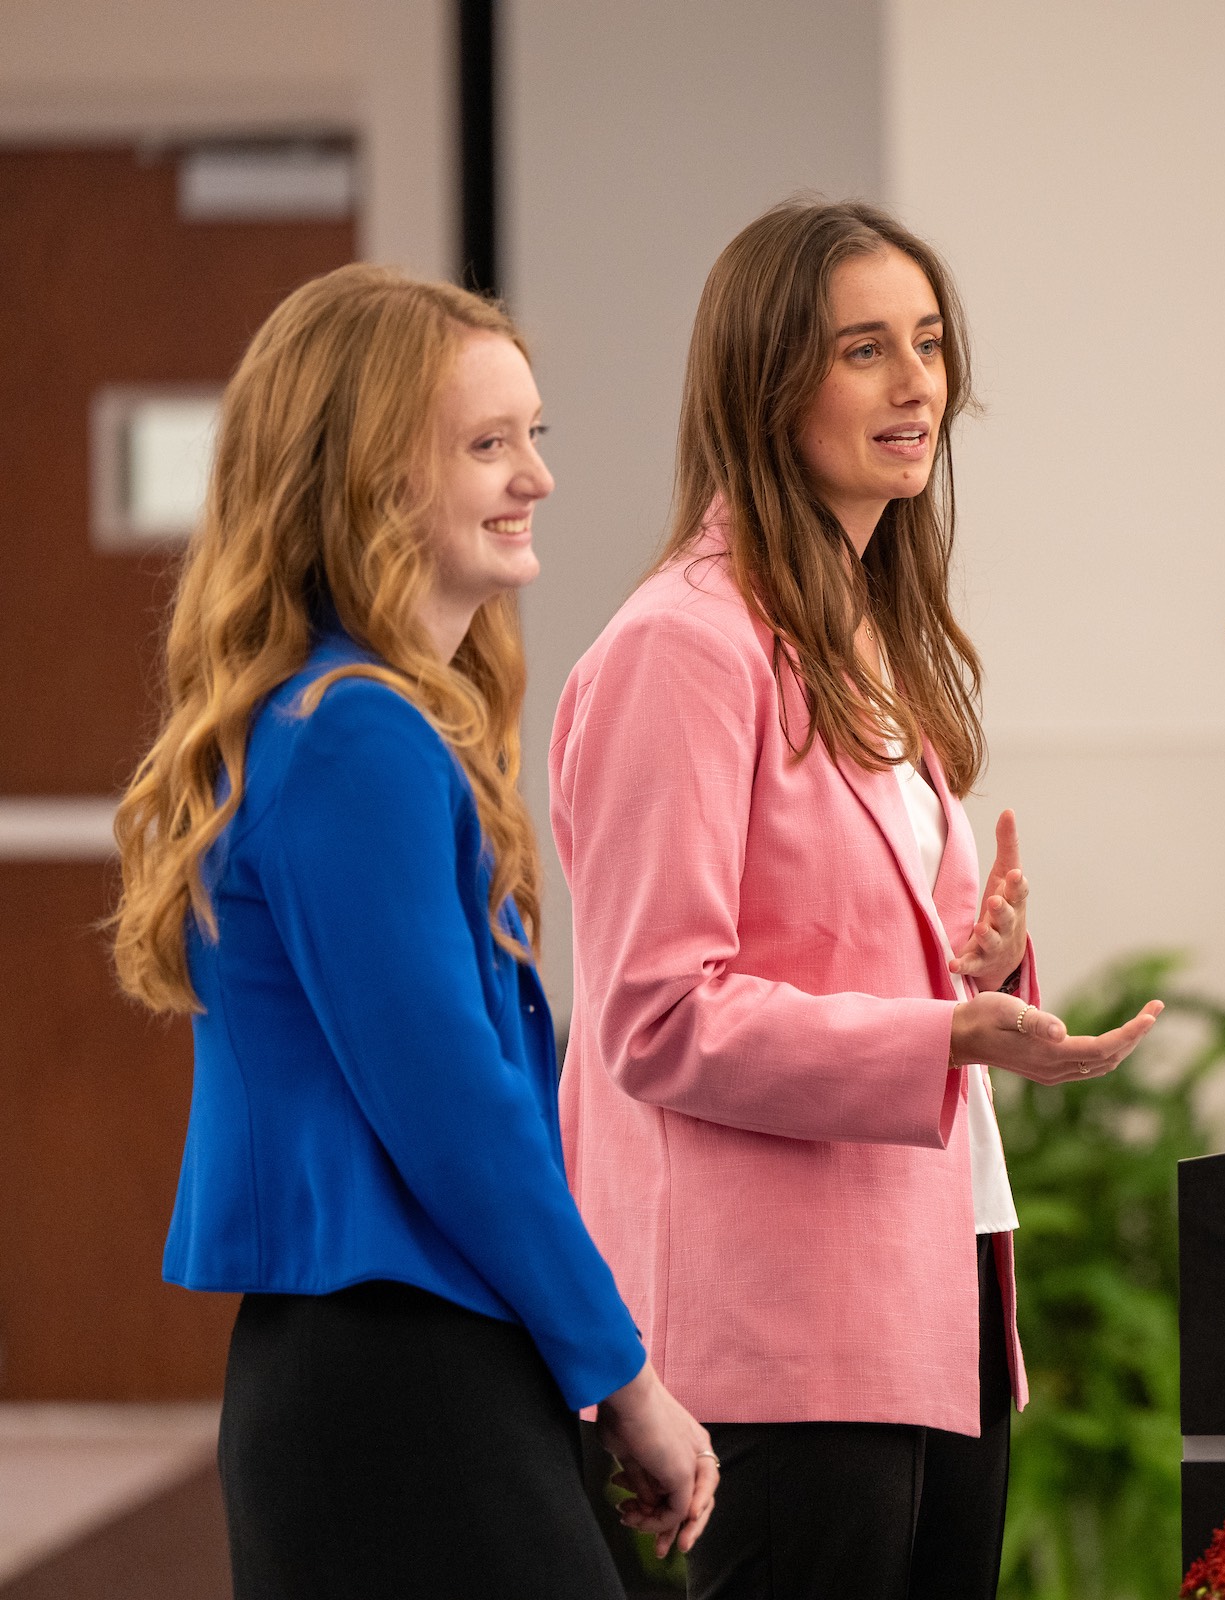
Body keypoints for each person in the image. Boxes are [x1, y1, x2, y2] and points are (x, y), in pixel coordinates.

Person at [549, 199, 1163, 1600]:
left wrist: (982, 968)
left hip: (935, 1281)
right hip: (777, 1322)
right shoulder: (684, 649)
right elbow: (657, 1015)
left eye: (932, 345)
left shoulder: (866, 636)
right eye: (866, 350)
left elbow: (854, 948)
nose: (918, 384)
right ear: (770, 389)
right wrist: (938, 1036)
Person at [107, 265, 717, 1598]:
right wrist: (625, 1378)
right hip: (396, 1373)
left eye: (533, 435)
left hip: (389, 1363)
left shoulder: (341, 720)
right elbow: (458, 1112)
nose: (536, 477)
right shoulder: (356, 738)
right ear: (371, 477)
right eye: (487, 445)